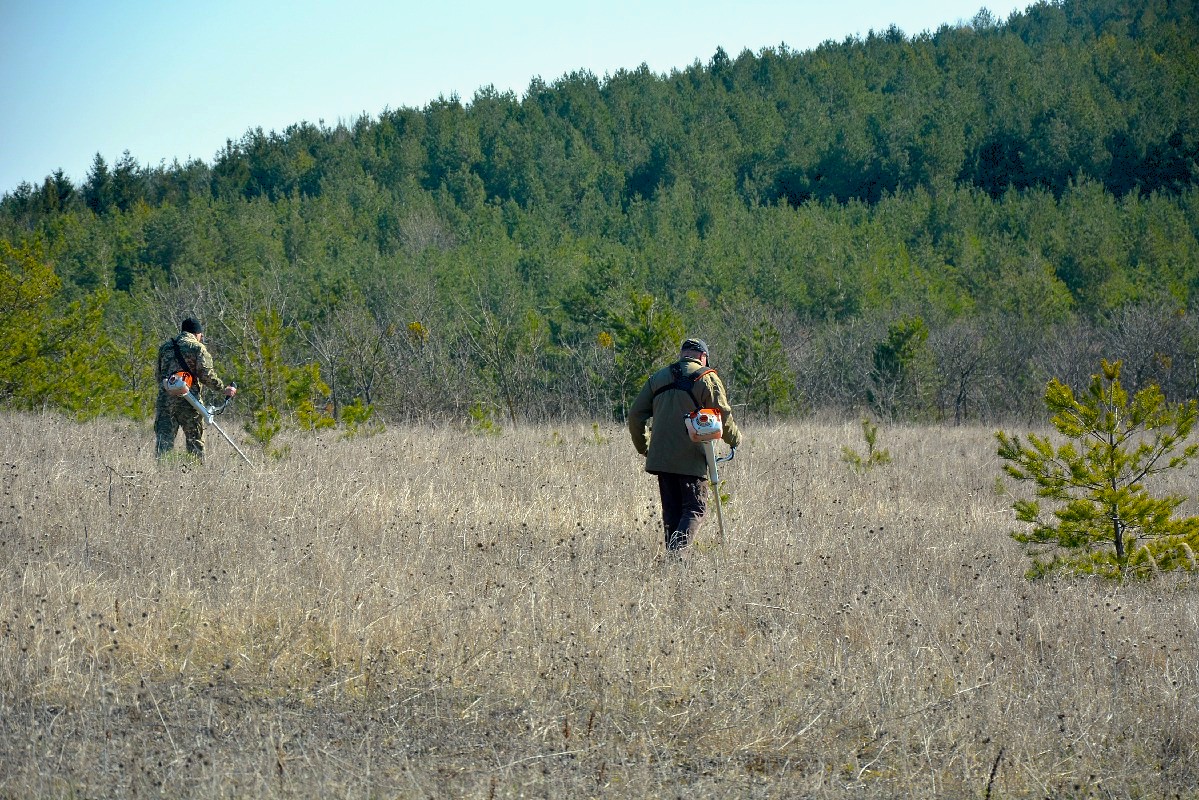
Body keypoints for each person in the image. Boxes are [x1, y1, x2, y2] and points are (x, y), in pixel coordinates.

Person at [628, 337, 742, 555]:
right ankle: (678, 555)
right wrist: (734, 439)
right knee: (694, 508)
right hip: (691, 458)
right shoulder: (707, 378)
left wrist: (644, 448)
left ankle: (673, 563)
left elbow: (635, 414)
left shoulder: (657, 378)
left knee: (671, 512)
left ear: (682, 354)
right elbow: (723, 414)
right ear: (703, 357)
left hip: (661, 458)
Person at [155, 317, 236, 463]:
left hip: (165, 402)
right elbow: (206, 375)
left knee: (164, 443)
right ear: (197, 333)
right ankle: (195, 473)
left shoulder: (165, 347)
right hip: (190, 402)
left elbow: (158, 376)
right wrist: (223, 389)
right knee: (195, 442)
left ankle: (162, 474)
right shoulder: (197, 348)